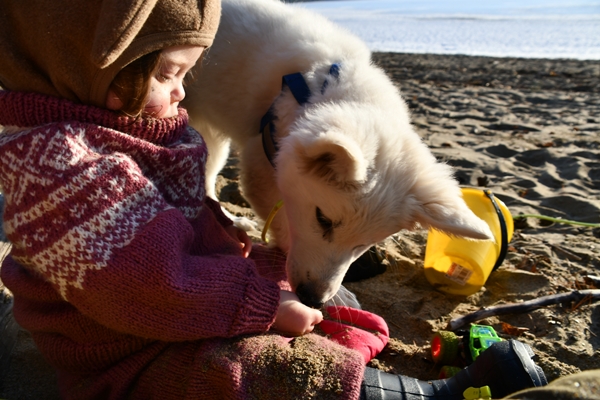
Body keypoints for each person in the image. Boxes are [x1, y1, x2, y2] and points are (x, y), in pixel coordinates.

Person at [0, 0, 548, 399]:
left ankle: (340, 355)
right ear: (85, 63)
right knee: (249, 369)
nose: (186, 93)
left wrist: (244, 252)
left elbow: (185, 213)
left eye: (188, 73)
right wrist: (260, 301)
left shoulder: (141, 125)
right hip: (124, 350)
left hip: (171, 311)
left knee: (327, 313)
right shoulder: (59, 163)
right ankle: (410, 395)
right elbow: (144, 281)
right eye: (171, 74)